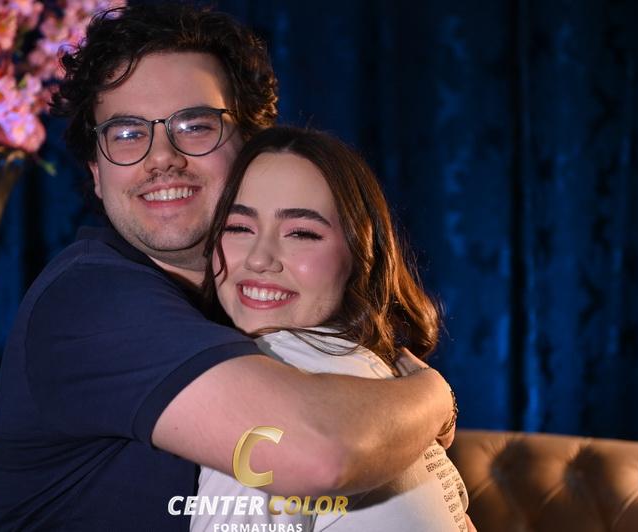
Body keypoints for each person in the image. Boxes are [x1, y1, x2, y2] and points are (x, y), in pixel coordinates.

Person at [0, 4, 458, 530]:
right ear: (96, 172)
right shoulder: (93, 300)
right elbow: (318, 453)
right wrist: (434, 397)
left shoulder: (254, 315)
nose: (161, 157)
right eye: (127, 133)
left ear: (250, 146)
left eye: (195, 125)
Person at [193, 126, 471, 531]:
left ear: (361, 253)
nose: (259, 258)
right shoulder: (383, 376)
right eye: (239, 228)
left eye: (302, 233)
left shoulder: (258, 390)